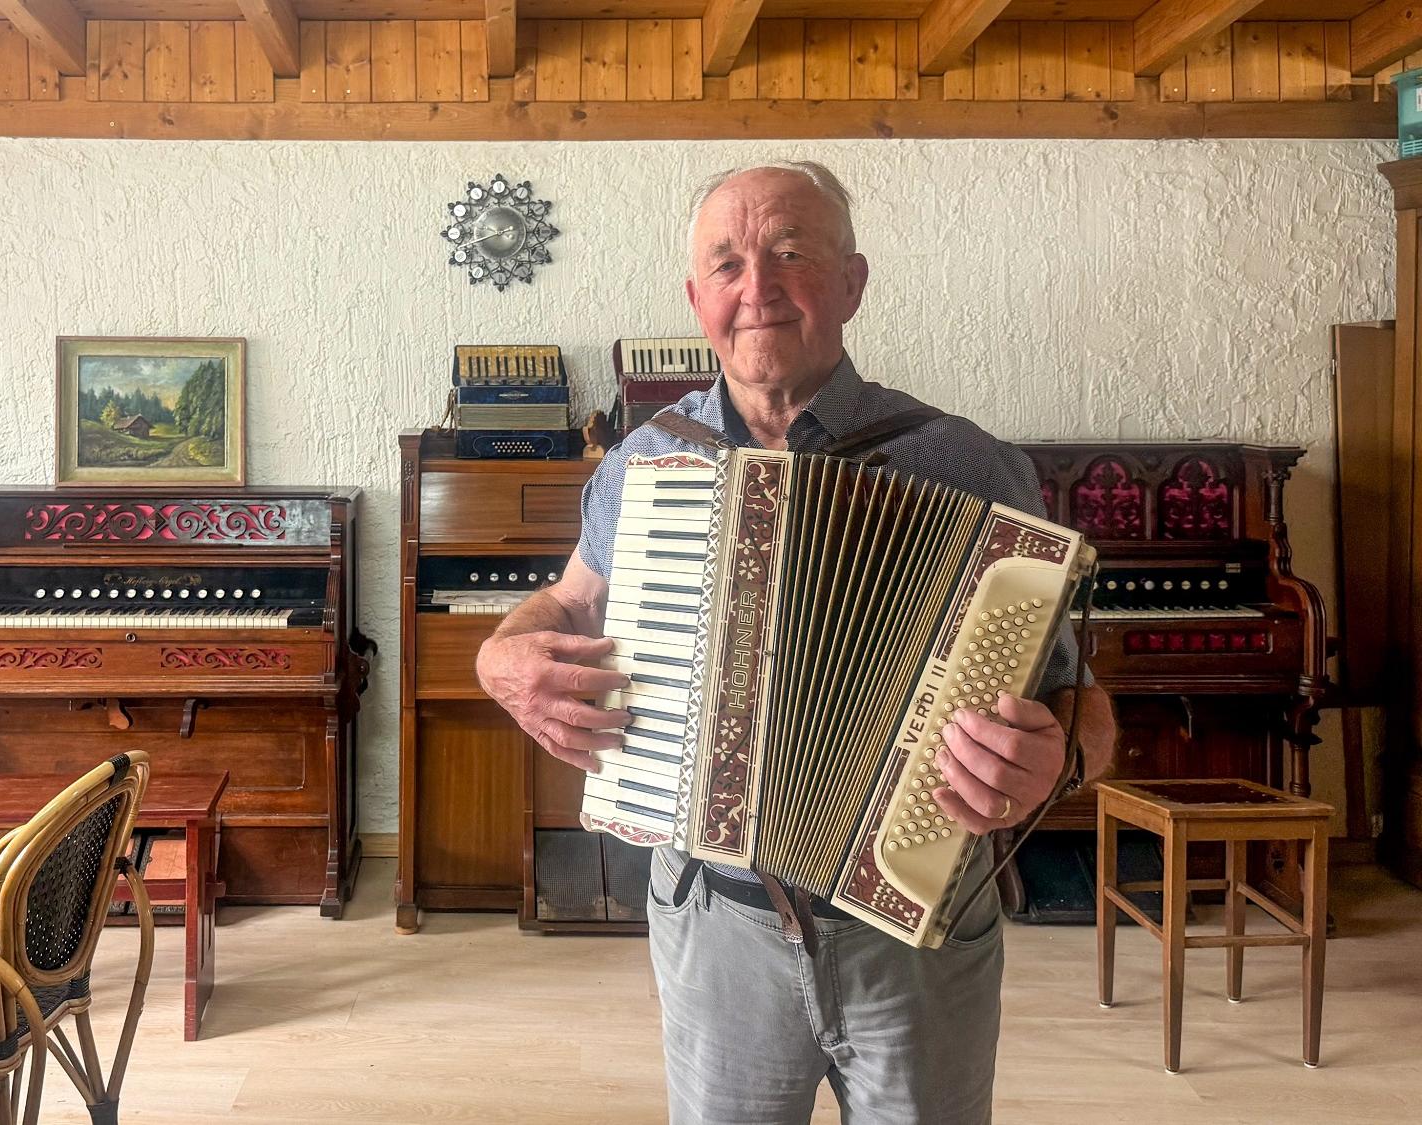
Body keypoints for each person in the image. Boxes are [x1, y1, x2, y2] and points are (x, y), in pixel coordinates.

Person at [474, 162, 1118, 1125]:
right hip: (710, 917)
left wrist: (1059, 761)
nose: (758, 289)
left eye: (790, 254)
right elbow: (569, 601)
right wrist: (501, 657)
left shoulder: (966, 464)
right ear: (696, 299)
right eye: (727, 264)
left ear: (852, 282)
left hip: (914, 931)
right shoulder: (647, 462)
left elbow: (1082, 703)